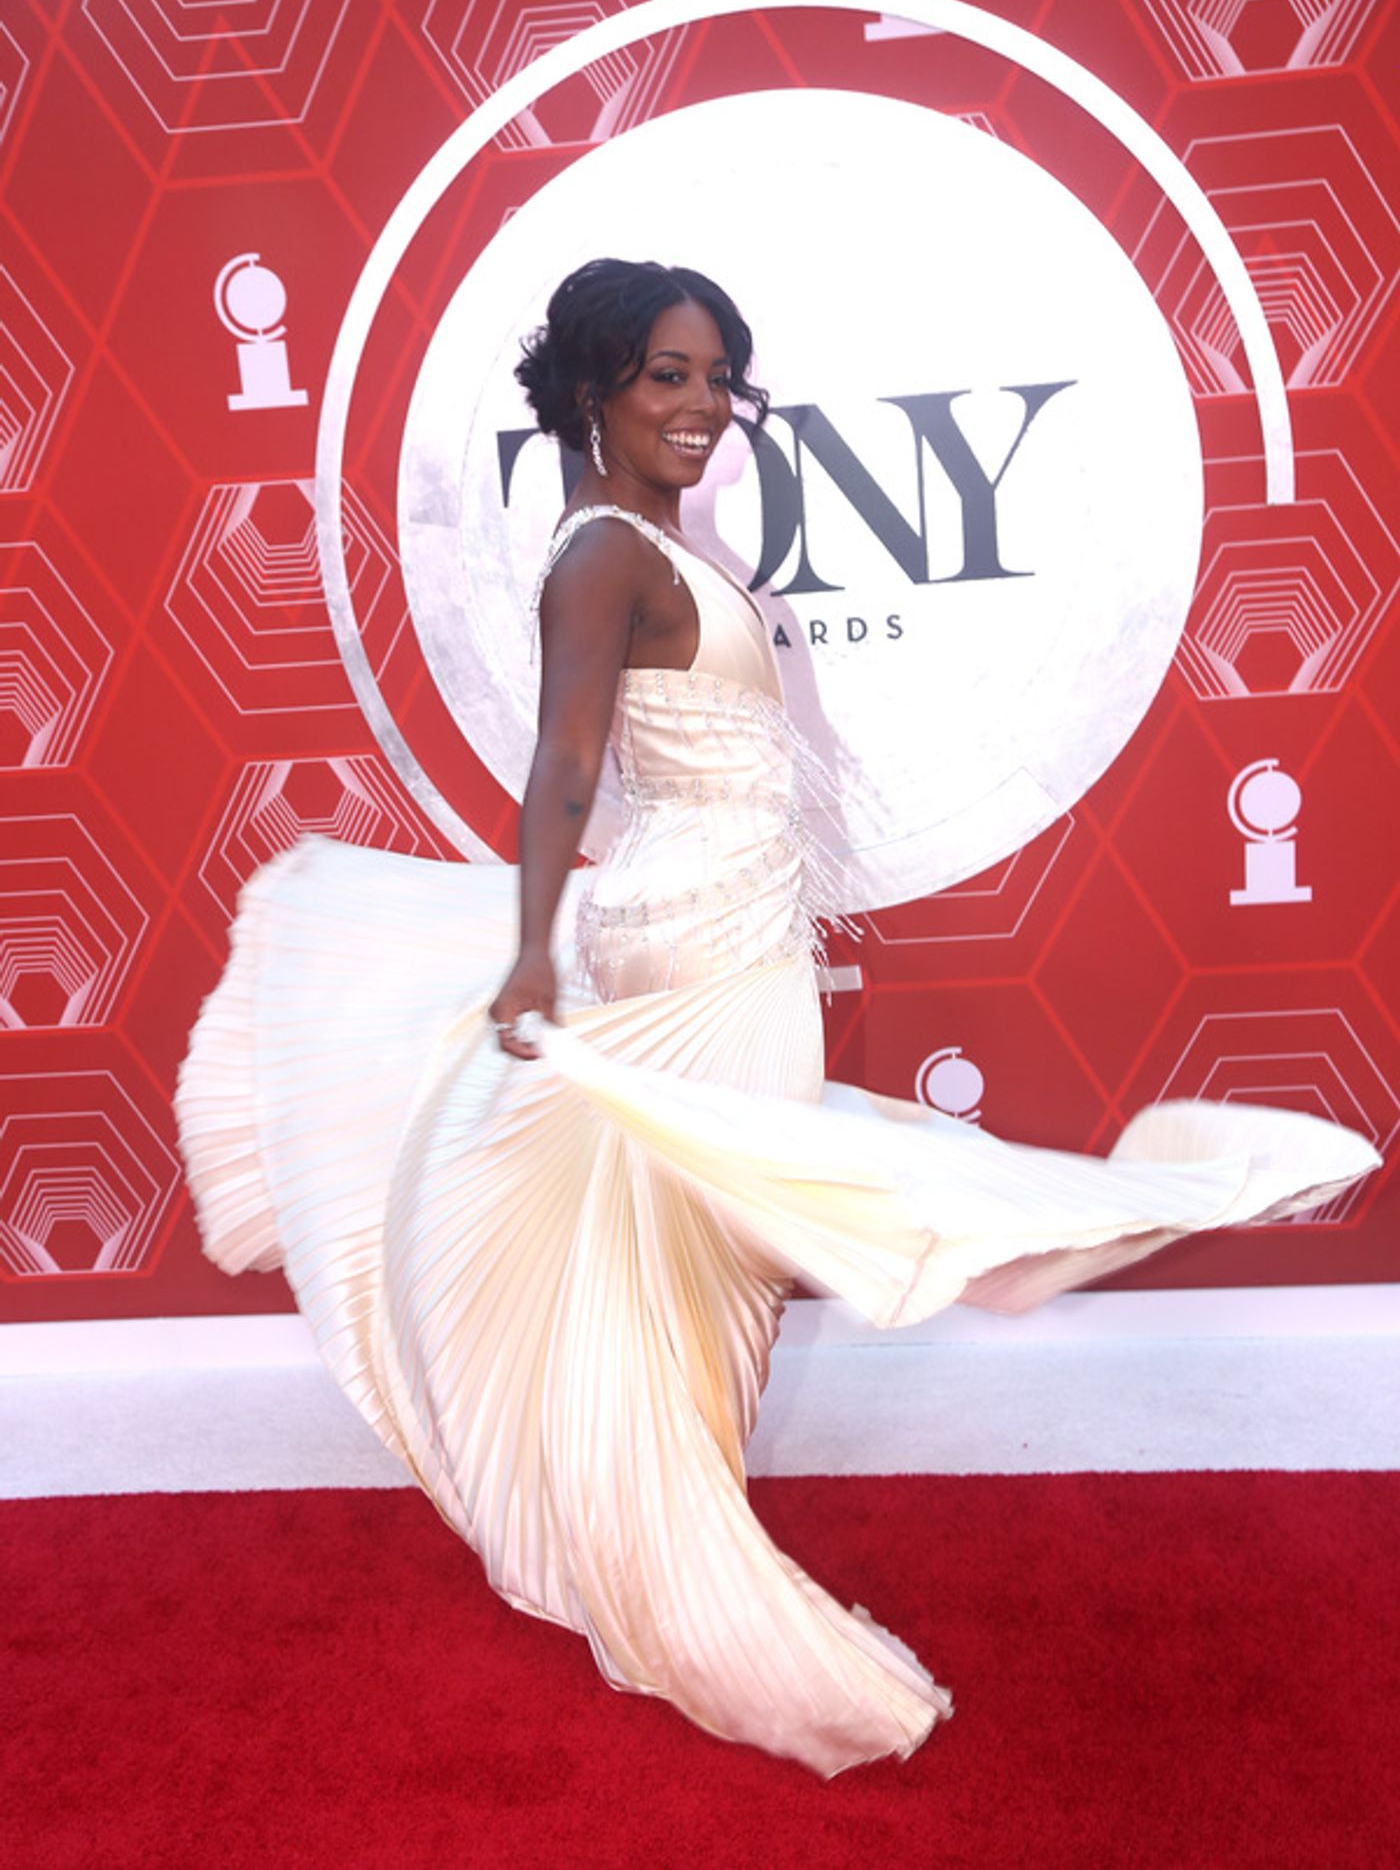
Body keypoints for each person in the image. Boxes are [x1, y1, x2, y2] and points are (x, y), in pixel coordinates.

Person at [176, 257, 1380, 1779]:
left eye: (716, 379)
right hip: (695, 943)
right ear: (595, 387)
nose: (701, 408)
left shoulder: (659, 544)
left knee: (695, 1259)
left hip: (730, 931)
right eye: (668, 375)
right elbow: (562, 769)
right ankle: (720, 1544)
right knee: (708, 1253)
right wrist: (534, 947)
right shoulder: (600, 556)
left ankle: (713, 1487)